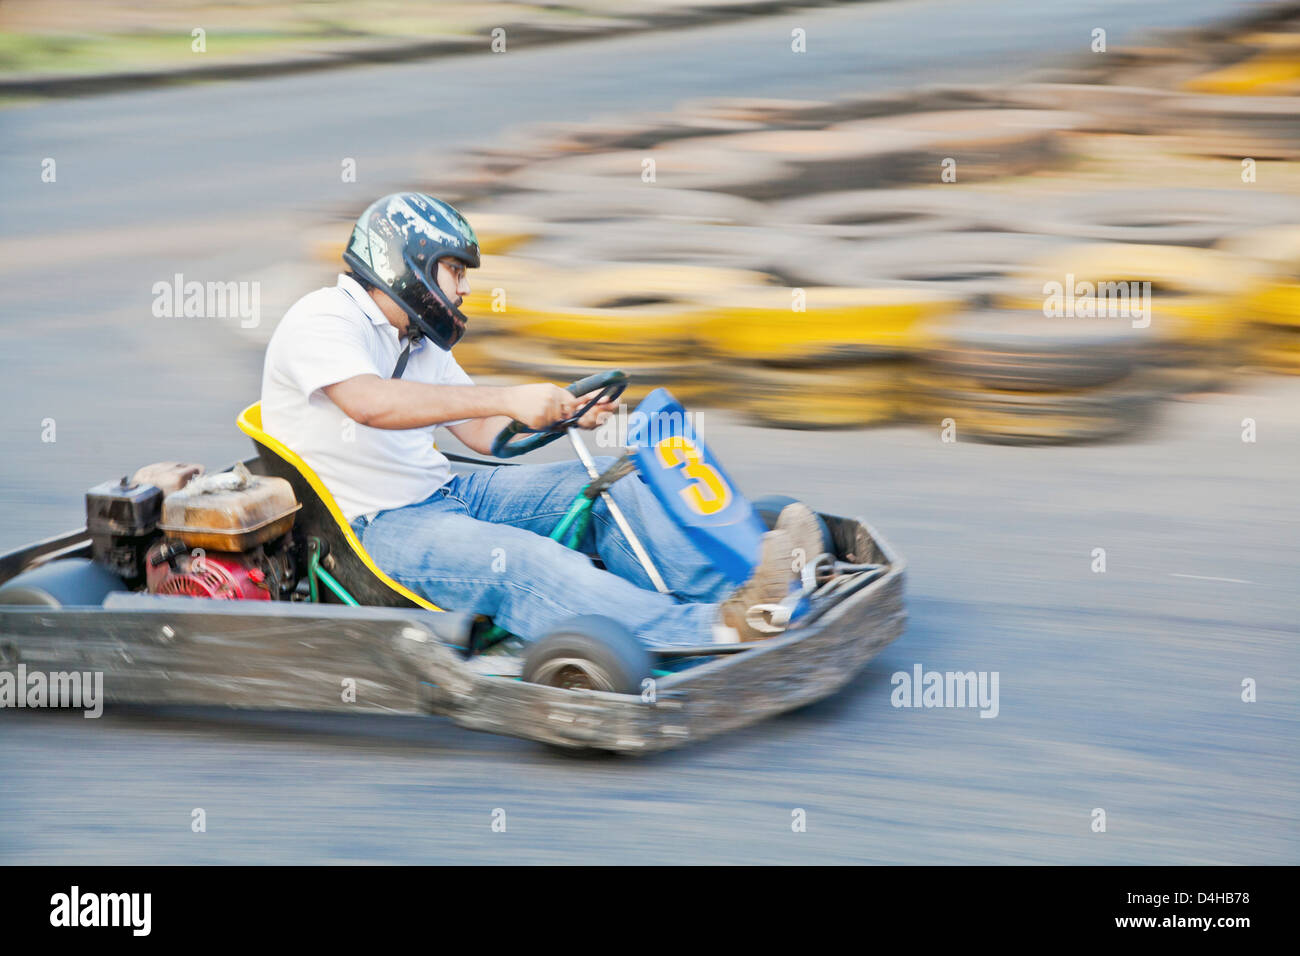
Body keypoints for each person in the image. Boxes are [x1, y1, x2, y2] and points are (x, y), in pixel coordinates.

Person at [261, 192, 822, 647]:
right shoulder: (323, 318)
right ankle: (712, 630)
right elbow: (371, 404)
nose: (464, 287)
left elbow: (483, 434)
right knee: (525, 562)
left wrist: (563, 415)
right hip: (371, 534)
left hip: (448, 493)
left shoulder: (416, 339)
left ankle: (746, 592)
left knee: (603, 482)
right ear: (405, 263)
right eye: (453, 269)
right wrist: (507, 396)